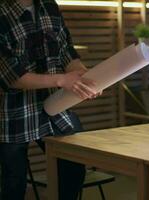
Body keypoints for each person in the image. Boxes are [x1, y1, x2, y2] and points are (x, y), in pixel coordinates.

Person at [0, 0, 100, 199]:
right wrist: (62, 79)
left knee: (74, 166)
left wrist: (82, 76)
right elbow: (11, 76)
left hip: (55, 104)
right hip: (13, 112)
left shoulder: (49, 6)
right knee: (14, 182)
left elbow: (66, 50)